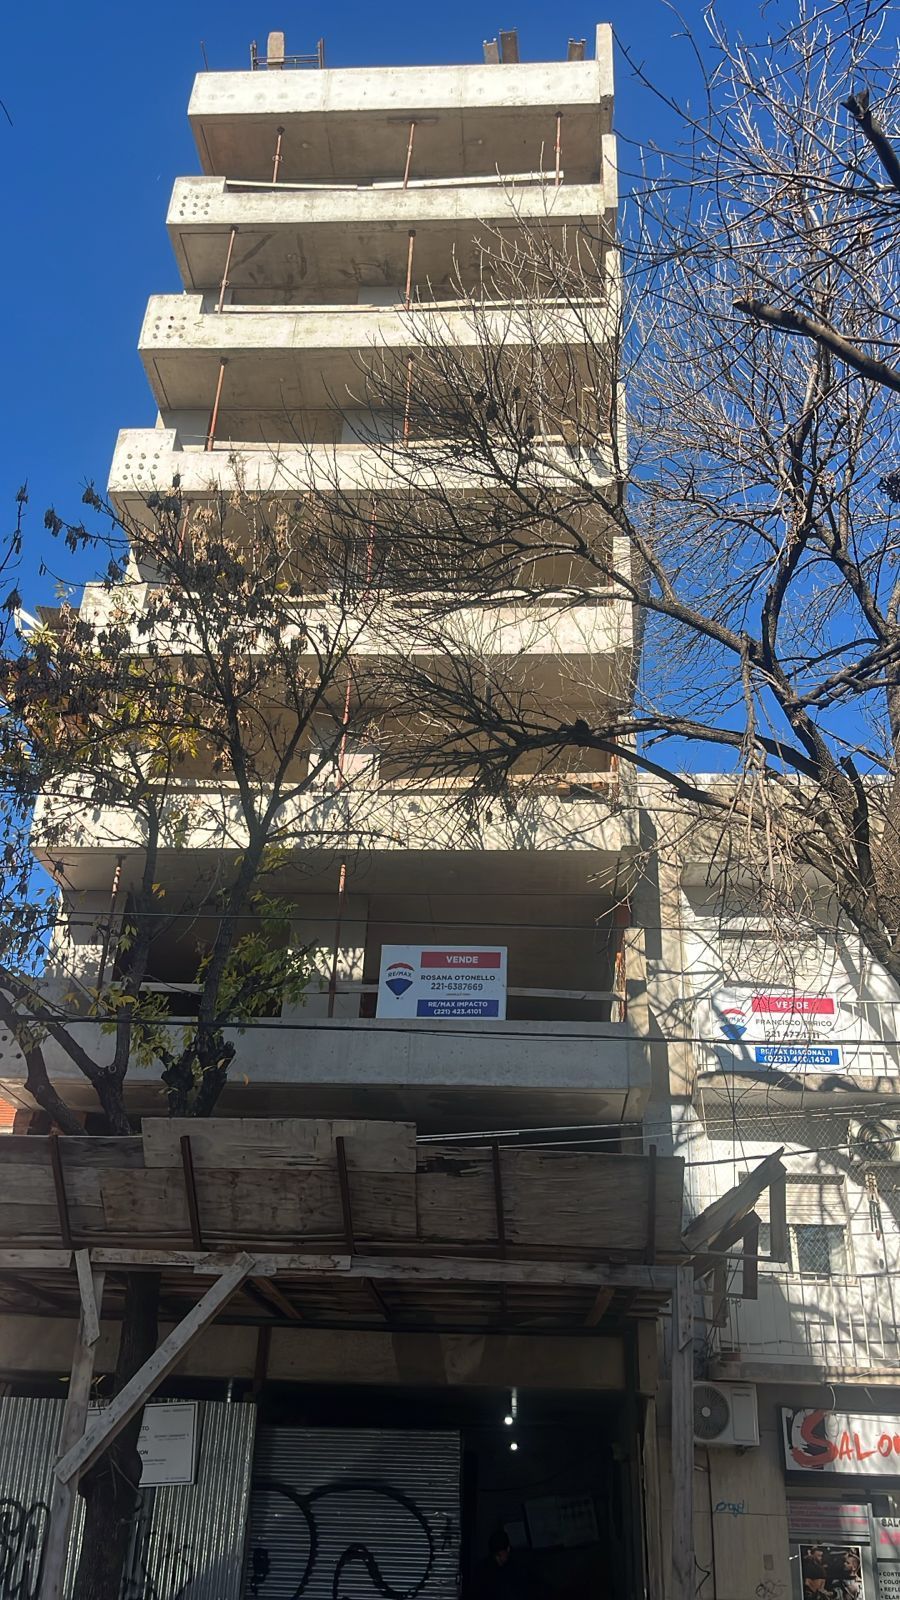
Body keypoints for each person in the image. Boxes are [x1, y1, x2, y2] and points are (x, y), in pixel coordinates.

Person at [473, 1530, 532, 1600]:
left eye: (500, 1555)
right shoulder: (483, 1570)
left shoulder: (516, 1569)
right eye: (497, 1555)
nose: (498, 1559)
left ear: (508, 1549)